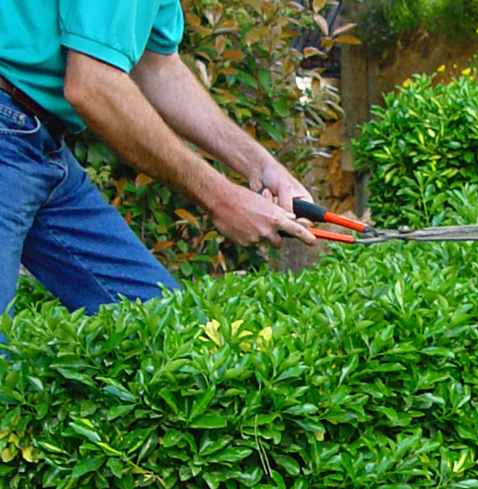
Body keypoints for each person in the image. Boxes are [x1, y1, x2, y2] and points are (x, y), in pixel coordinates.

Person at [0, 1, 318, 348]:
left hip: (39, 142)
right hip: (10, 126)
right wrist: (222, 198)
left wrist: (261, 166)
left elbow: (158, 67)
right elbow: (93, 87)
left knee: (170, 332)